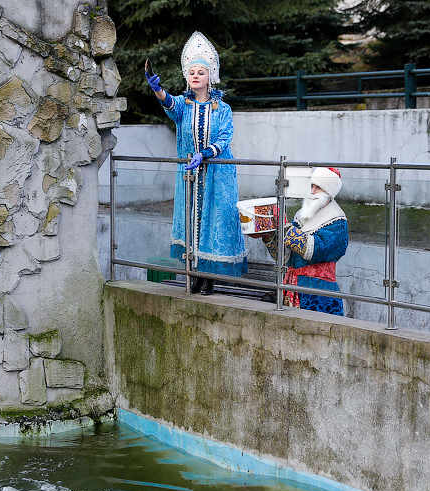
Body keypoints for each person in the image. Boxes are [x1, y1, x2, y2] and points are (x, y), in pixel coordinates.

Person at [145, 31, 247, 296]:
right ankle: (194, 274)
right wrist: (157, 88)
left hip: (217, 174)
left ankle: (209, 277)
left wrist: (206, 153)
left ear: (210, 76)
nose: (195, 76)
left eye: (201, 72)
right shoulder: (183, 106)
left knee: (214, 223)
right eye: (192, 72)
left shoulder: (222, 108)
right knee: (192, 222)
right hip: (190, 175)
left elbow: (225, 137)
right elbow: (168, 104)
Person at [260, 167, 348, 315]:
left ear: (329, 193)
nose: (312, 191)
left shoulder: (337, 221)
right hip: (292, 288)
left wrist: (286, 228)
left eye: (318, 187)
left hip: (319, 293)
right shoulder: (301, 216)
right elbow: (283, 256)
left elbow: (314, 250)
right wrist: (268, 235)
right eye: (311, 186)